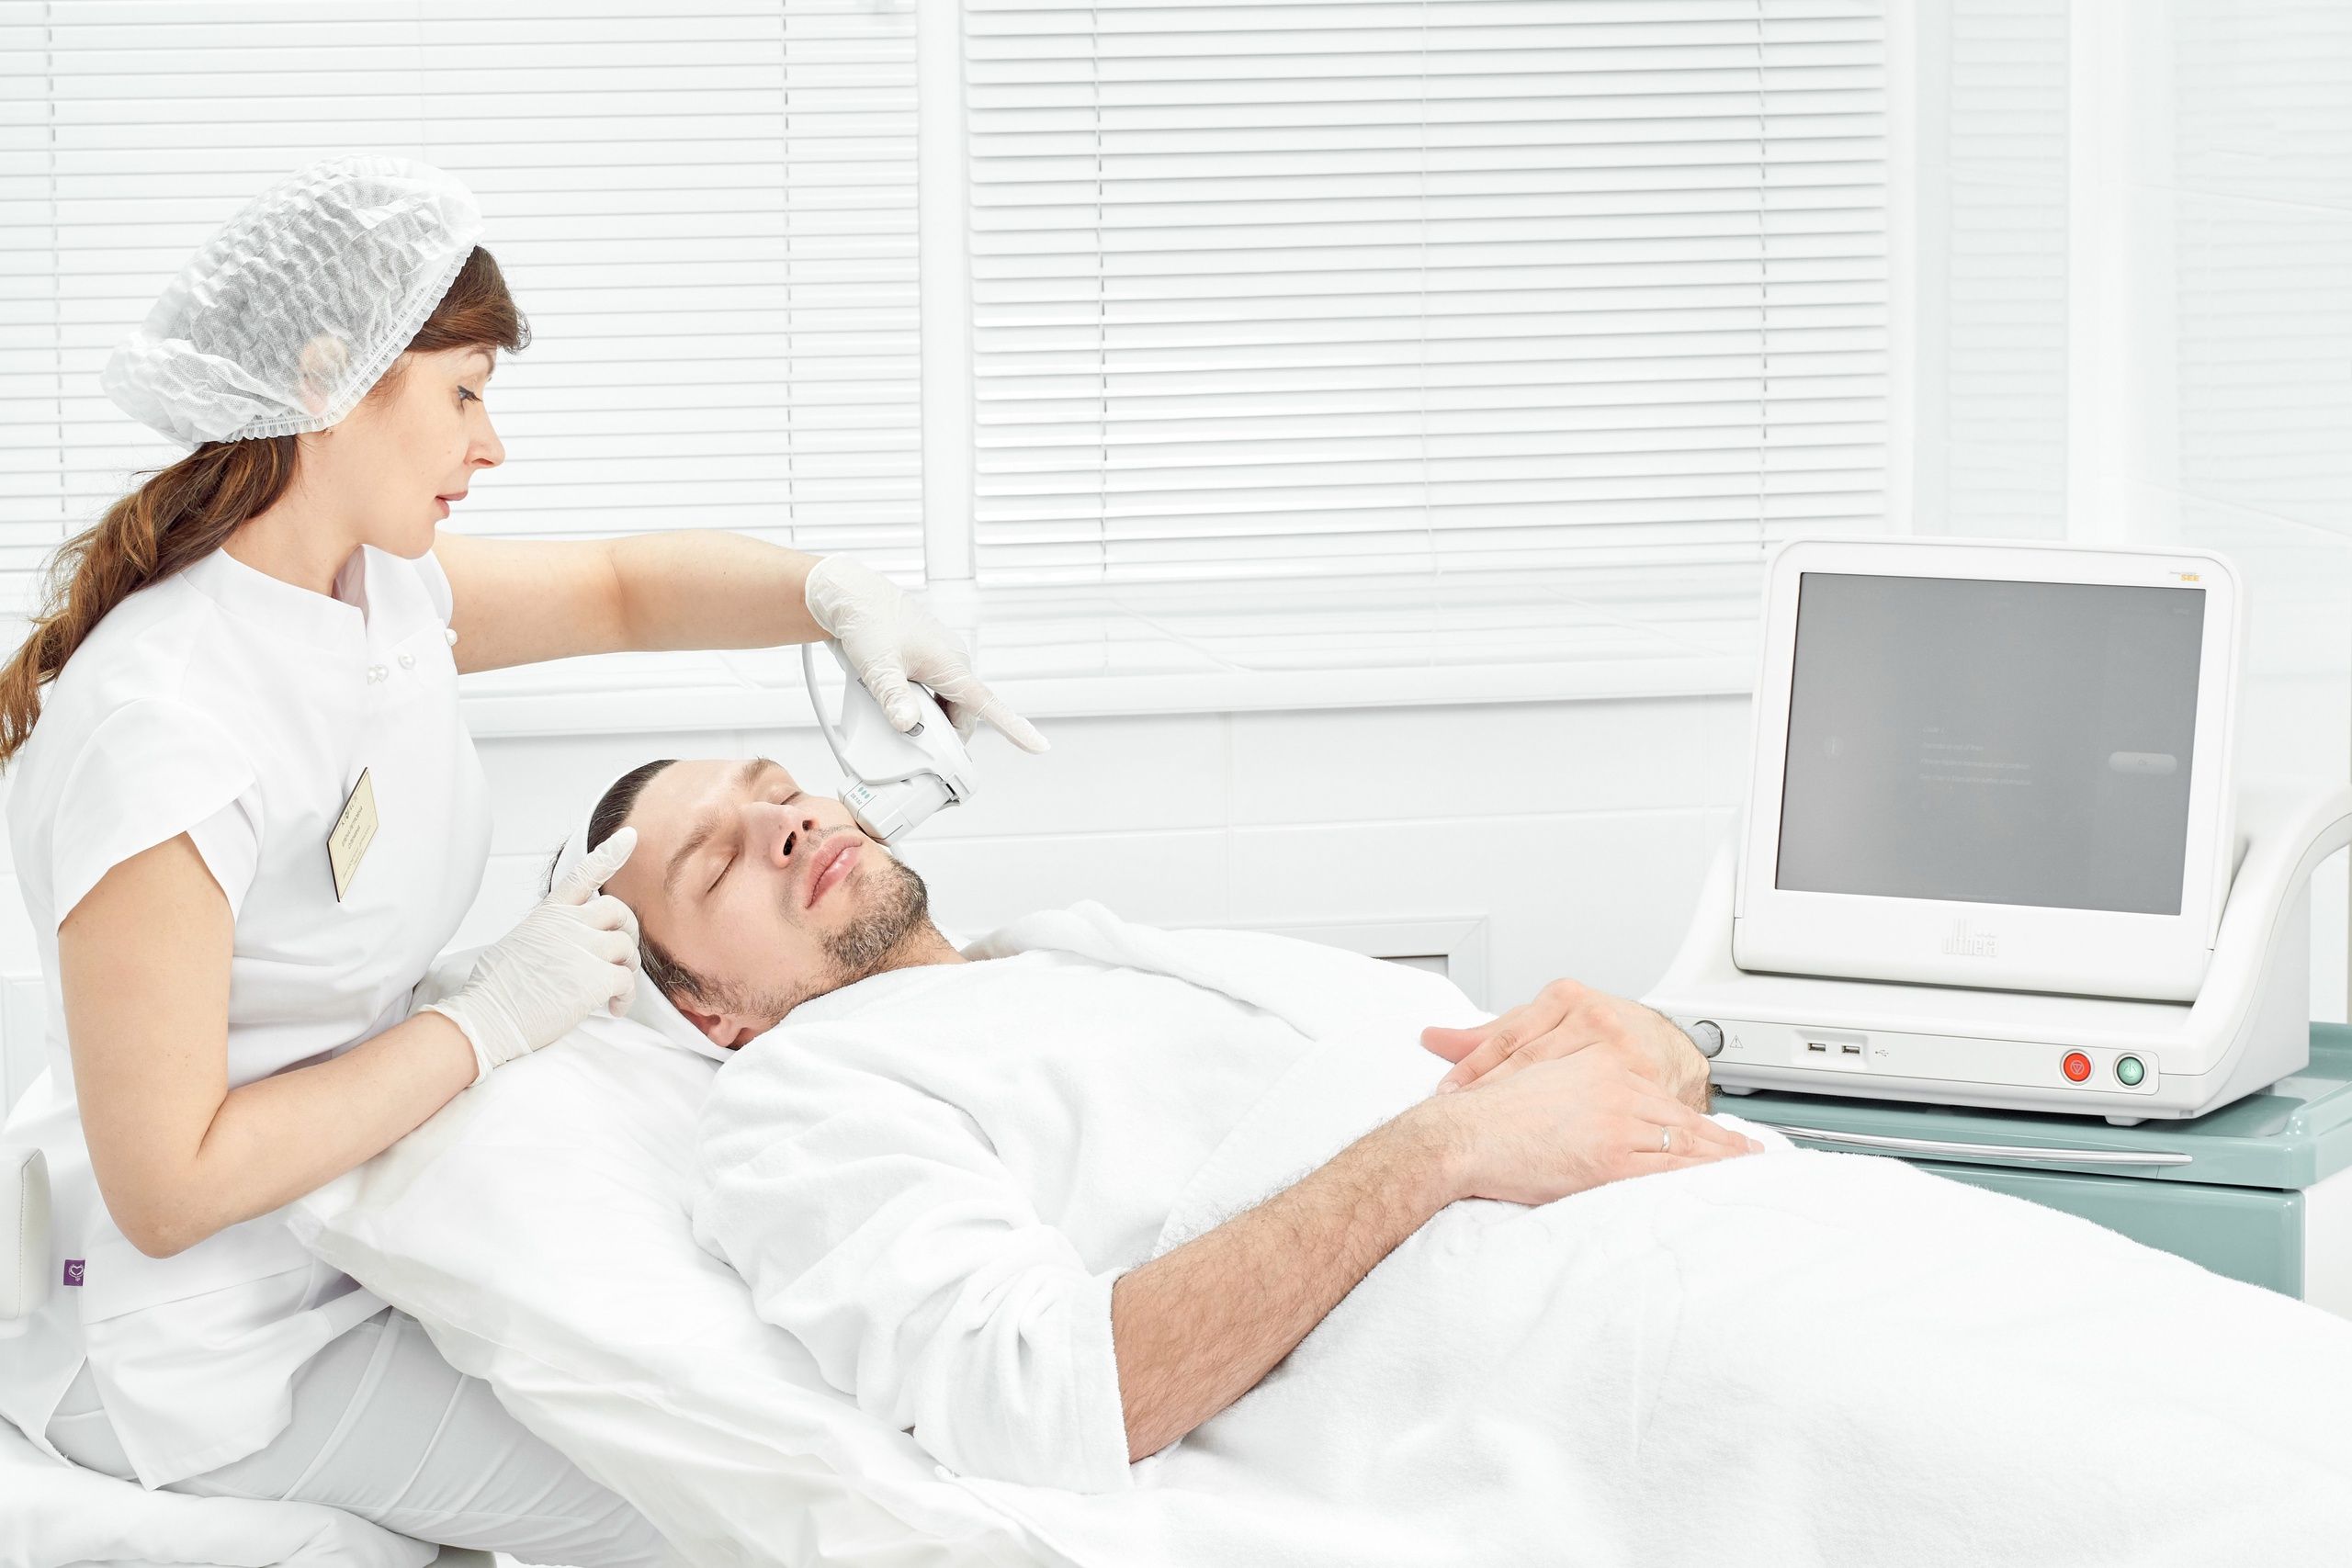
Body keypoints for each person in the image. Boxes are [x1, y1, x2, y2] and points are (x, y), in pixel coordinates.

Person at [0, 155, 1041, 1563]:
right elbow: (166, 1188)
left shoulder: (373, 593)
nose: (491, 446)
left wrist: (834, 594)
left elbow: (620, 588)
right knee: (713, 1500)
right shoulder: (168, 728)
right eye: (465, 393)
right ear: (329, 381)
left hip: (342, 1226)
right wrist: (482, 1023)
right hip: (186, 1332)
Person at [561, 753, 2352, 1564]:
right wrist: (1449, 1148)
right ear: (704, 1005)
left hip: (1780, 1218)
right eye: (716, 858)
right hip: (1604, 1347)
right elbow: (1048, 1398)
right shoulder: (805, 1099)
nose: (783, 819)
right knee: (2168, 1497)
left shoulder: (1087, 948)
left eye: (777, 784)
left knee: (2255, 1383)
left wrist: (1651, 1043)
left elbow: (1503, 1075)